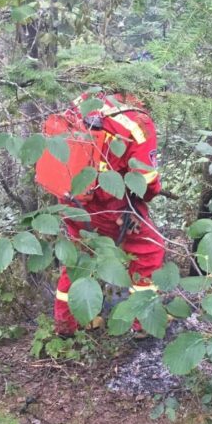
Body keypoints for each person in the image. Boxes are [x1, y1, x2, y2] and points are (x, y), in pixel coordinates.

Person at [53, 91, 165, 337]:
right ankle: (143, 323)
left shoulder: (88, 98)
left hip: (70, 198)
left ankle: (66, 324)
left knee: (79, 257)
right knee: (149, 250)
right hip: (106, 206)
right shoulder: (139, 122)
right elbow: (147, 184)